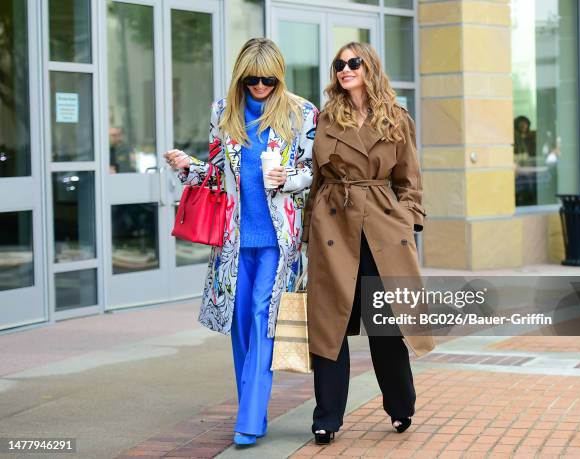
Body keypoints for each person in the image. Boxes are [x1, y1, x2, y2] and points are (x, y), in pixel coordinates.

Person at [164, 38, 317, 446]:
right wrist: (188, 166)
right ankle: (255, 410)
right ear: (242, 77)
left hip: (279, 240)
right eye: (253, 79)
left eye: (269, 79)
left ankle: (248, 419)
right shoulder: (223, 112)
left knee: (264, 319)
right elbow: (215, 174)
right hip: (232, 239)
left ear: (279, 77)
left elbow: (314, 172)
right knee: (239, 324)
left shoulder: (301, 113)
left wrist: (290, 178)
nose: (261, 86)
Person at [302, 42, 435, 445]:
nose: (345, 69)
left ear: (369, 67)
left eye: (353, 63)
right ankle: (326, 418)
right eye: (339, 64)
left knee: (386, 324)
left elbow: (409, 181)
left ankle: (400, 407)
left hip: (381, 227)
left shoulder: (396, 118)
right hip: (334, 228)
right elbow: (318, 179)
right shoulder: (326, 118)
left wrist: (406, 221)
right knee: (330, 326)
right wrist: (309, 230)